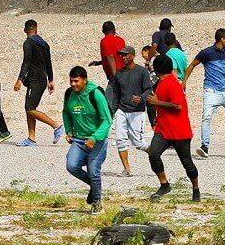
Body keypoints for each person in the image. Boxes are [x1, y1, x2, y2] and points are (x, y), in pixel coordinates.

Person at [183, 28, 225, 159]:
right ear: (222, 39)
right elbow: (192, 65)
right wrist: (184, 81)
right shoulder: (206, 53)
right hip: (211, 91)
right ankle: (204, 146)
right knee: (206, 117)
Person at [145, 55, 200, 202]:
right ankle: (164, 184)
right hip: (163, 129)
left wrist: (158, 102)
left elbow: (177, 106)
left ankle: (196, 189)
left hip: (179, 131)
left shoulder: (173, 83)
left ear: (157, 69)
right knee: (153, 154)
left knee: (187, 163)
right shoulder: (160, 83)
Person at [62, 66, 113, 214]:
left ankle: (97, 204)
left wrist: (95, 137)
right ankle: (94, 185)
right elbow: (66, 112)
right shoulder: (69, 94)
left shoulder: (95, 93)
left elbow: (107, 120)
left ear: (84, 80)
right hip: (78, 140)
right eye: (71, 81)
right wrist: (69, 130)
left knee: (93, 169)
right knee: (71, 166)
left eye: (76, 81)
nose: (73, 84)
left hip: (97, 139)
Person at [15, 19, 64, 147]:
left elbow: (26, 62)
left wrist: (19, 80)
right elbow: (49, 62)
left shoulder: (28, 43)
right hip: (42, 79)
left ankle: (56, 125)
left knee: (29, 108)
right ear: (36, 29)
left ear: (25, 30)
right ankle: (31, 138)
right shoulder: (44, 44)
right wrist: (51, 80)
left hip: (35, 81)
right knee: (30, 107)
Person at [109, 46, 154, 176]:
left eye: (125, 55)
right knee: (120, 140)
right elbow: (116, 93)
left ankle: (154, 155)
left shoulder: (142, 72)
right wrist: (114, 110)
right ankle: (127, 169)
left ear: (133, 56)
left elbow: (148, 90)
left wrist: (141, 98)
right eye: (121, 55)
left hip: (137, 111)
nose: (123, 57)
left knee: (138, 143)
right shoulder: (119, 74)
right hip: (122, 110)